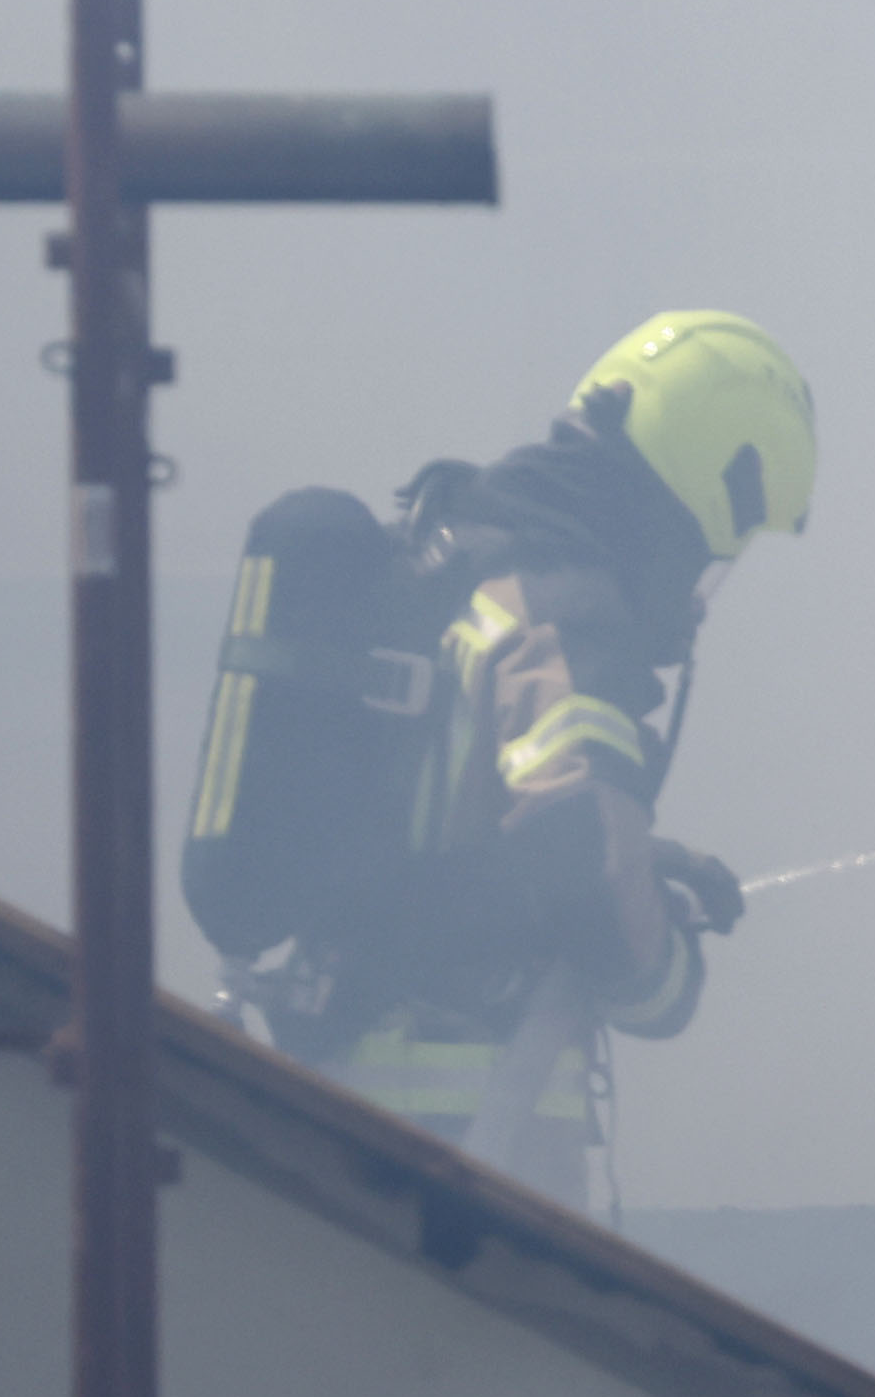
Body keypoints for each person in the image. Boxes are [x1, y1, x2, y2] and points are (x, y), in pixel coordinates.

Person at [214, 310, 813, 1203]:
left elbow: (462, 831)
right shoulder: (561, 614)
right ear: (692, 501)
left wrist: (652, 863)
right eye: (711, 556)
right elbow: (582, 859)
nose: (693, 599)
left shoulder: (459, 563)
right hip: (468, 1157)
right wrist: (667, 970)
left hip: (352, 1108)